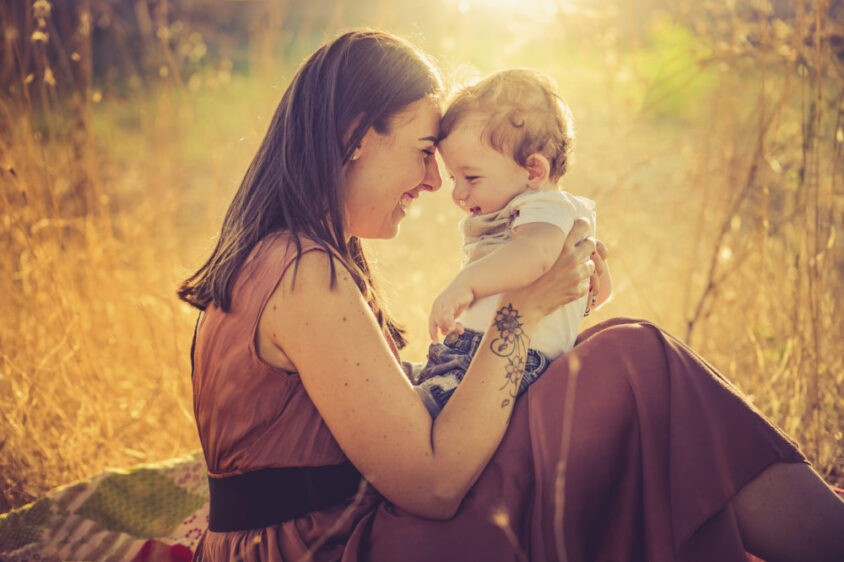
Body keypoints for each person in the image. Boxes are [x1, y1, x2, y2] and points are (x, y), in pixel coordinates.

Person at [178, 29, 844, 562]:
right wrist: (521, 313)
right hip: (332, 546)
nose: (437, 183)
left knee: (618, 349)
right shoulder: (303, 275)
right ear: (356, 137)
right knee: (637, 361)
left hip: (346, 528)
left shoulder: (295, 257)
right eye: (421, 151)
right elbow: (434, 486)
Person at [413, 68, 608, 418]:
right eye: (454, 177)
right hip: (485, 352)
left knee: (418, 414)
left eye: (470, 177)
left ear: (533, 171)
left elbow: (534, 256)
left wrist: (465, 284)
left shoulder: (544, 206)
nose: (457, 192)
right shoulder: (540, 211)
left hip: (511, 361)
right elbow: (594, 291)